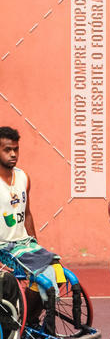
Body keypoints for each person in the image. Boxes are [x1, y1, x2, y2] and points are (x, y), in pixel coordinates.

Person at [0, 127, 61, 313]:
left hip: (23, 245)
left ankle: (31, 320)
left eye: (16, 149)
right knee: (38, 275)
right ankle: (22, 320)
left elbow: (27, 213)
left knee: (56, 268)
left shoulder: (24, 177)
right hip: (4, 248)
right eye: (7, 150)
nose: (13, 154)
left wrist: (35, 243)